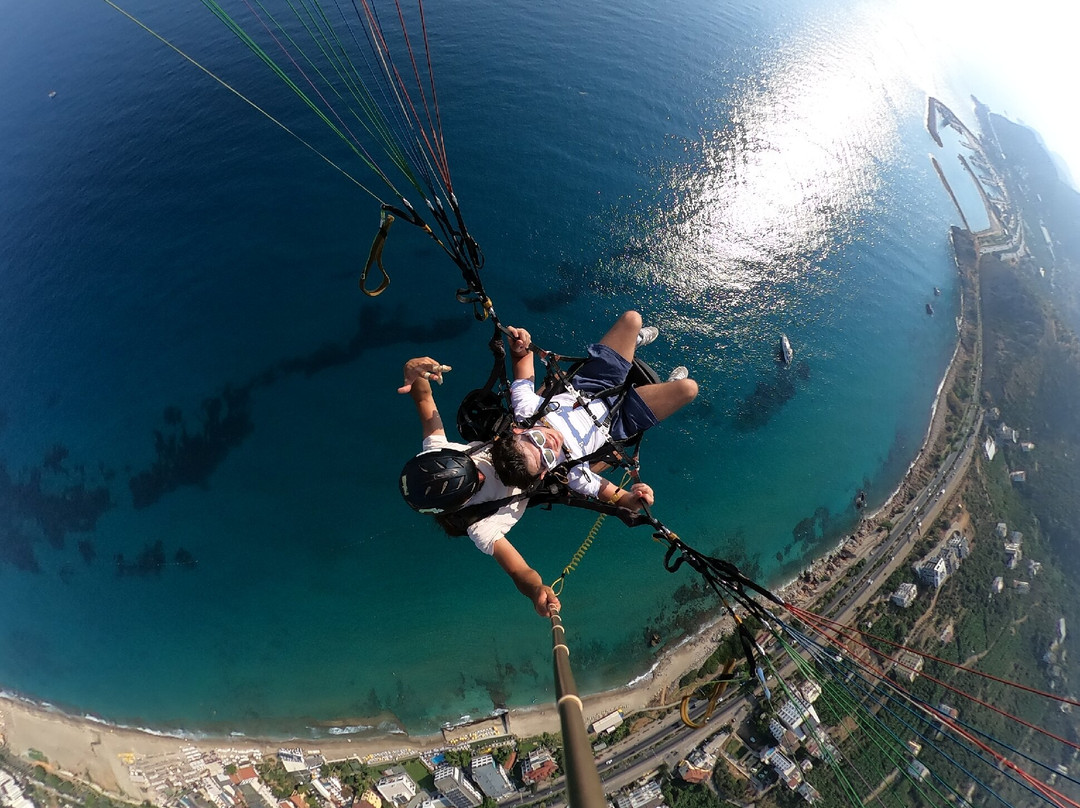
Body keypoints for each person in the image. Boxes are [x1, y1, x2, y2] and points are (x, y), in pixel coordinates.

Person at [491, 310, 698, 509]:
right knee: (688, 389)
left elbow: (521, 360)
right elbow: (618, 497)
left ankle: (635, 342)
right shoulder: (572, 474)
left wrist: (520, 344)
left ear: (520, 431)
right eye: (547, 458)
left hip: (592, 384)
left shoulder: (525, 412)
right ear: (545, 472)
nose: (550, 445)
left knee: (632, 319)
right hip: (619, 421)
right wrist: (635, 499)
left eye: (536, 439)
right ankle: (667, 385)